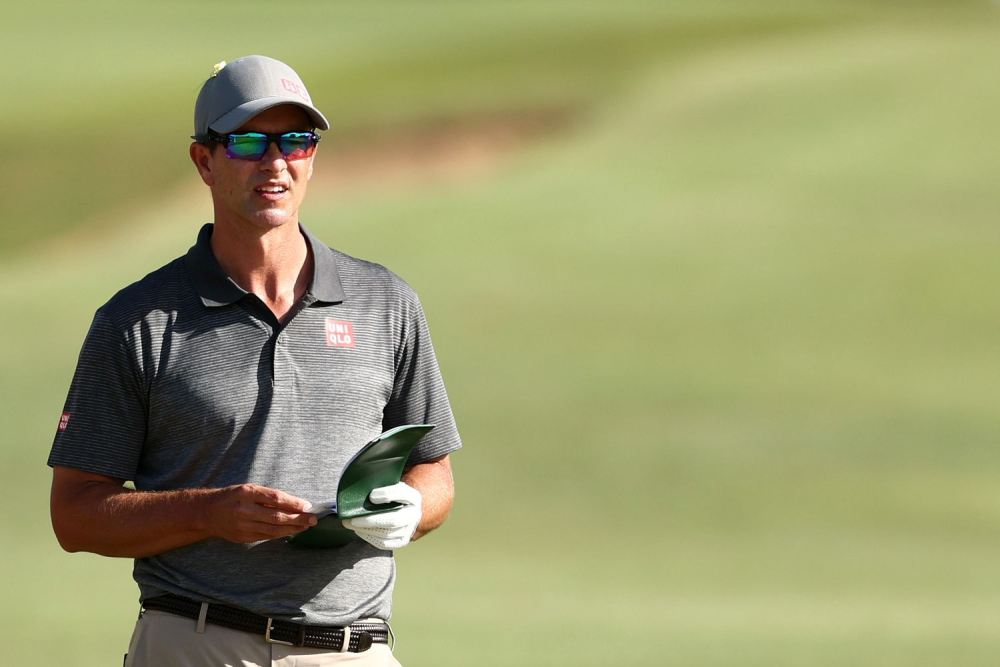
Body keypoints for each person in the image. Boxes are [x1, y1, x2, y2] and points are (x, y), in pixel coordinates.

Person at [47, 55, 461, 667]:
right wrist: (209, 512)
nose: (276, 162)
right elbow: (75, 516)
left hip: (353, 648)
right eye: (247, 142)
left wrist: (411, 510)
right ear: (203, 162)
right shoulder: (137, 320)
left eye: (296, 141)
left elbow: (435, 474)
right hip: (194, 640)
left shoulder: (385, 301)